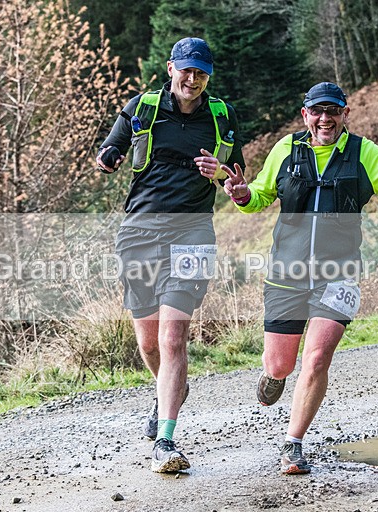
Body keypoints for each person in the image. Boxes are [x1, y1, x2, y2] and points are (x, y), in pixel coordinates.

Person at [221, 82, 378, 475]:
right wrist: (240, 193)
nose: (325, 119)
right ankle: (273, 375)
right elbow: (258, 197)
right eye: (317, 111)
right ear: (305, 114)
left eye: (333, 111)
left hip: (338, 275)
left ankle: (293, 444)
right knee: (281, 364)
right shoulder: (286, 150)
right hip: (286, 274)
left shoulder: (362, 153)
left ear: (345, 113)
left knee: (317, 357)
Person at [96, 37, 245, 473]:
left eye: (201, 72)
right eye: (186, 70)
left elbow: (236, 181)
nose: (192, 79)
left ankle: (165, 440)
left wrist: (224, 176)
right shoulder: (141, 108)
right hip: (139, 232)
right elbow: (111, 150)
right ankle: (165, 390)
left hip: (193, 234)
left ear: (209, 76)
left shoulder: (222, 117)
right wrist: (108, 158)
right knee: (147, 342)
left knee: (172, 337)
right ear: (170, 69)